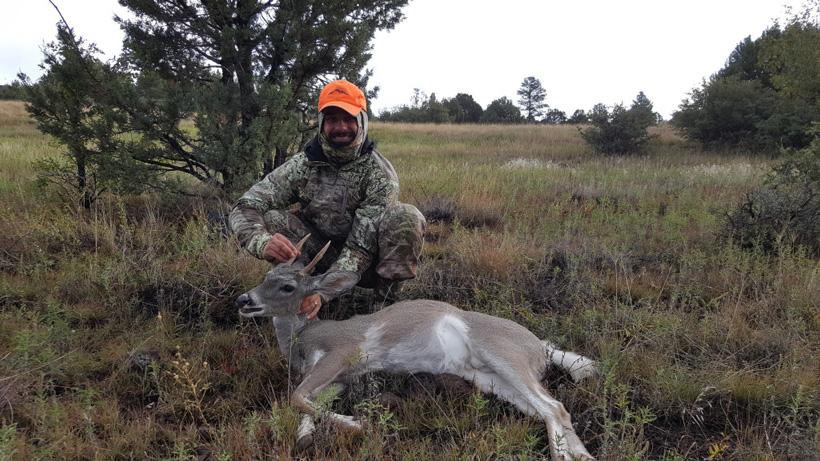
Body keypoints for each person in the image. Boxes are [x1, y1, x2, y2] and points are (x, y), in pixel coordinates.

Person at [230, 79, 426, 320]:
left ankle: (382, 311)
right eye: (332, 119)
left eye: (348, 119)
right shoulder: (303, 165)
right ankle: (295, 294)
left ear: (362, 121)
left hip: (368, 266)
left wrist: (322, 293)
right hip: (318, 257)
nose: (341, 127)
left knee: (405, 217)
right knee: (271, 219)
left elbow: (359, 250)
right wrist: (261, 241)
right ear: (322, 124)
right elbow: (245, 205)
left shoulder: (379, 175)